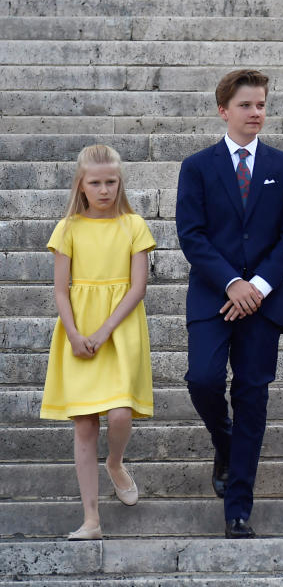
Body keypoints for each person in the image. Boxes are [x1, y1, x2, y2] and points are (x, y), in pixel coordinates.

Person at [176, 69, 283, 539]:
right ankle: (223, 441)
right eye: (247, 105)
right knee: (203, 379)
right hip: (214, 297)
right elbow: (191, 234)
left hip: (264, 304)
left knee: (252, 397)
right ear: (224, 110)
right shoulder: (197, 166)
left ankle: (238, 507)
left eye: (262, 104)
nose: (257, 113)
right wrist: (232, 282)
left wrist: (258, 287)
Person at [41, 144, 156, 540]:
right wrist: (74, 334)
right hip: (79, 331)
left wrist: (105, 330)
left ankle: (116, 462)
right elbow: (60, 289)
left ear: (119, 181)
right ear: (82, 184)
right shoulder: (68, 228)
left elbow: (138, 287)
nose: (104, 189)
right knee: (85, 425)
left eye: (111, 181)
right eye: (96, 182)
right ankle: (91, 519)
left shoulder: (134, 225)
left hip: (119, 330)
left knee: (121, 414)